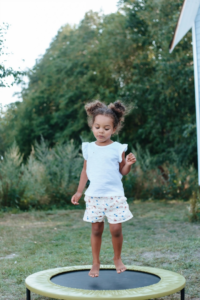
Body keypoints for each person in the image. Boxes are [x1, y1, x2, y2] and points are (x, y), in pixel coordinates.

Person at [71, 100, 136, 278]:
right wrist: (79, 191)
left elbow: (122, 171)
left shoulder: (117, 148)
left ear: (114, 129)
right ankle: (96, 262)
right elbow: (85, 171)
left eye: (106, 128)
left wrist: (128, 164)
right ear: (92, 126)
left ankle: (117, 258)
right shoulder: (89, 148)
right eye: (98, 127)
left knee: (115, 229)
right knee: (96, 229)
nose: (101, 131)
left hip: (115, 196)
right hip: (94, 197)